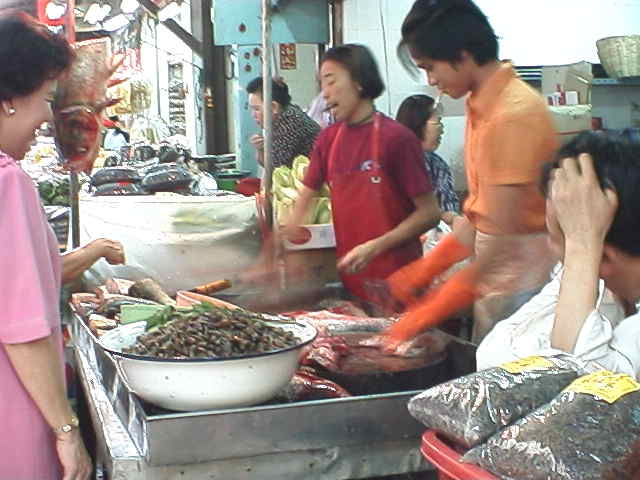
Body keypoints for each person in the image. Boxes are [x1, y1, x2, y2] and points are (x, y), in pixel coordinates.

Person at [382, 0, 559, 347]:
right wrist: (428, 267)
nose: (431, 81)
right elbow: (481, 217)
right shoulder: (482, 103)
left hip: (524, 286)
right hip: (496, 281)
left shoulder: (512, 114)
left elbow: (502, 243)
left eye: (431, 68)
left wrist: (428, 310)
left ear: (462, 55)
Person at [0, 11, 122, 479]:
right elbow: (23, 328)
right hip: (14, 409)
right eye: (46, 99)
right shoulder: (8, 183)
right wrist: (67, 429)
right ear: (9, 98)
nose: (46, 119)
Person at [477, 131, 640, 378]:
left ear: (602, 258)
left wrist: (583, 245)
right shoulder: (604, 284)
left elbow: (579, 385)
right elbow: (494, 353)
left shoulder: (586, 260)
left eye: (552, 236)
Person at [285, 44, 441, 302]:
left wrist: (376, 247)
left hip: (401, 284)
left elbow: (429, 213)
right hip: (353, 284)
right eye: (322, 84)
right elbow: (305, 197)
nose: (324, 93)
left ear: (358, 81)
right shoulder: (328, 140)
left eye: (331, 81)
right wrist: (281, 245)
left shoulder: (397, 139)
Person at [396, 94, 460, 225]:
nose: (442, 130)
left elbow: (450, 210)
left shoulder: (437, 165)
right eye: (438, 122)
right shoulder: (389, 162)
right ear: (418, 124)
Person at [247, 76, 321, 169]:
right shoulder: (280, 117)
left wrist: (261, 150)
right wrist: (260, 149)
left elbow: (275, 169)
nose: (253, 115)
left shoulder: (290, 122)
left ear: (274, 107)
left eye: (256, 109)